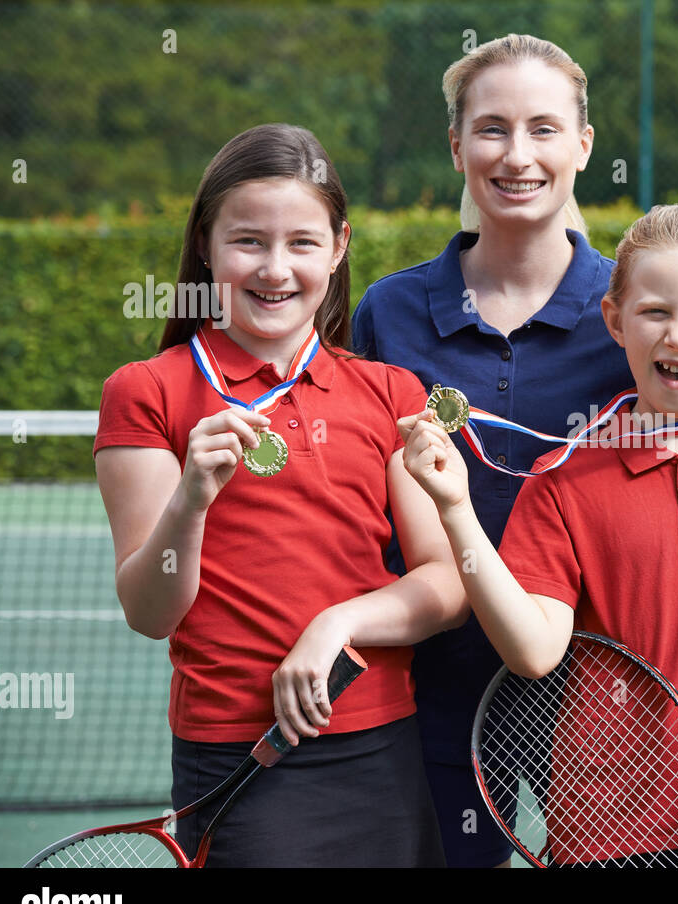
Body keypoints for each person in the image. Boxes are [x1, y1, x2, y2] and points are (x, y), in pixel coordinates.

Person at [352, 34, 678, 867]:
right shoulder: (392, 311)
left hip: (615, 711)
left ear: (584, 145)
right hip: (439, 692)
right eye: (491, 129)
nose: (517, 155)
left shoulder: (645, 308)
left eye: (544, 128)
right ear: (456, 145)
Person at [400, 202, 678, 867]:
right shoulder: (561, 482)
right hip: (602, 836)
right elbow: (532, 649)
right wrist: (456, 506)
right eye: (655, 312)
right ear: (615, 320)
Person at [93, 124, 467, 866]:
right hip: (238, 758)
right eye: (248, 242)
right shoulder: (144, 391)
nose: (275, 268)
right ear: (205, 245)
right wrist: (191, 498)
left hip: (384, 750)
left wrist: (337, 623)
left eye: (301, 241)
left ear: (337, 247)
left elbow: (447, 583)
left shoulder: (390, 392)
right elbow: (148, 609)